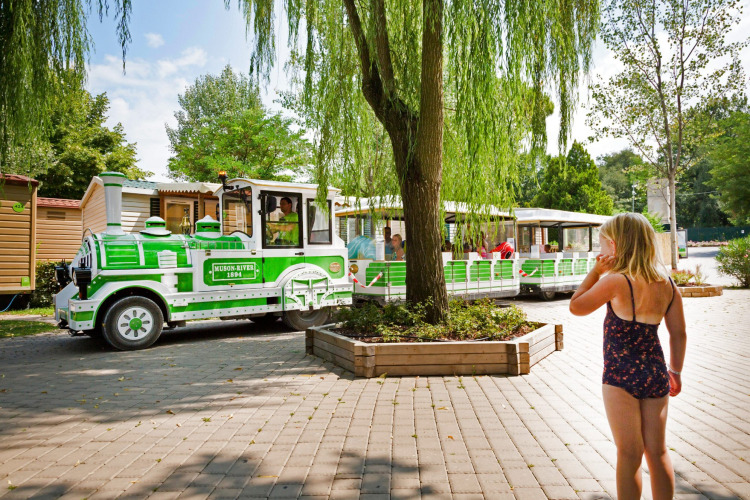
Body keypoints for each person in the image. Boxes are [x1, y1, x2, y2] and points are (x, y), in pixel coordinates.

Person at [569, 213, 686, 500]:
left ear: (616, 245)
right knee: (657, 452)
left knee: (629, 452)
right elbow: (678, 333)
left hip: (620, 376)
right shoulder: (667, 284)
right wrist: (676, 371)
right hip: (656, 372)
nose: (600, 251)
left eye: (602, 244)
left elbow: (576, 307)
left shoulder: (616, 281)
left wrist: (595, 272)